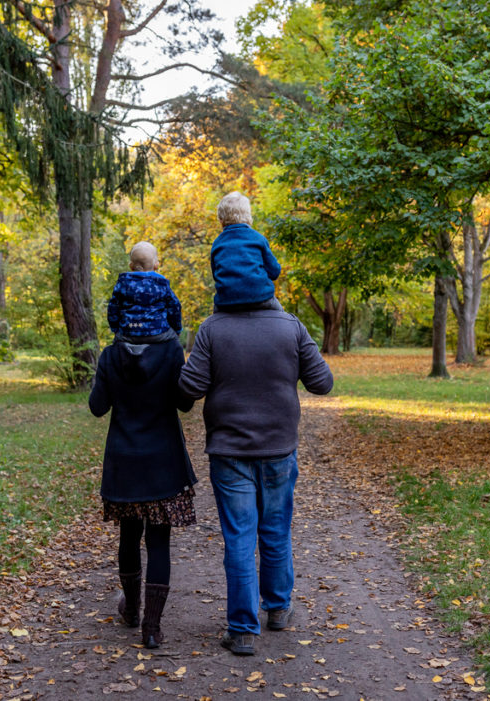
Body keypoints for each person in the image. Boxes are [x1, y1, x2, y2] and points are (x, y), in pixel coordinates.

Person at [179, 199, 333, 654]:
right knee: (275, 530)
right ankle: (279, 608)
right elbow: (322, 383)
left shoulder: (211, 330)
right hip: (279, 448)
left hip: (229, 452)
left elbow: (188, 389)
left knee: (239, 538)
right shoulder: (290, 326)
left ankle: (243, 631)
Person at [90, 244, 194, 650]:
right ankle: (152, 627)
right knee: (160, 542)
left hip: (125, 464)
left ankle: (131, 610)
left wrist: (108, 380)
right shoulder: (170, 350)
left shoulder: (110, 354)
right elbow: (184, 402)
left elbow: (98, 408)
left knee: (128, 538)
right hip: (164, 463)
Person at [209, 191, 282, 311]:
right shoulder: (258, 238)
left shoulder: (217, 243)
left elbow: (216, 274)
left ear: (220, 219)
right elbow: (275, 272)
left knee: (213, 321)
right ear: (248, 216)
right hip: (260, 297)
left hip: (227, 301)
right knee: (283, 318)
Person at [107, 241, 182, 339]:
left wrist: (116, 329)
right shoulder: (161, 284)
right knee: (174, 344)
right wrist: (177, 329)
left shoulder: (123, 284)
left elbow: (113, 308)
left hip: (128, 333)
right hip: (158, 332)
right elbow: (175, 307)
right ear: (156, 265)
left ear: (131, 265)